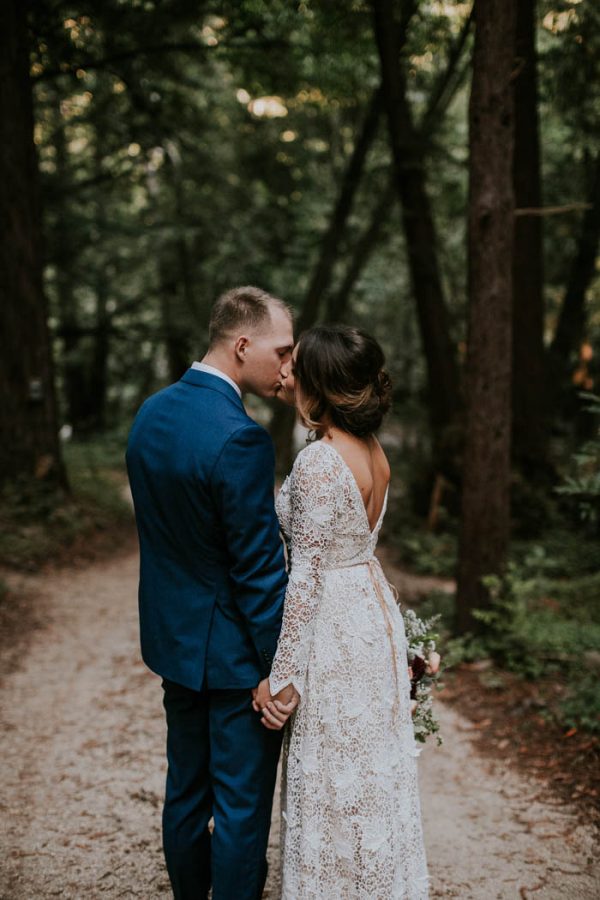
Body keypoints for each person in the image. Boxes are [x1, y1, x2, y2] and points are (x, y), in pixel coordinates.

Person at [126, 286, 298, 900]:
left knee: (186, 794)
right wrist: (277, 667)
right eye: (281, 351)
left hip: (174, 645)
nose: (289, 367)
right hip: (233, 662)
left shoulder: (151, 413)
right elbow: (257, 572)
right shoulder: (241, 438)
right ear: (242, 344)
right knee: (241, 812)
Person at [254, 325, 430, 899]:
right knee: (368, 776)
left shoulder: (319, 462)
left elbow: (304, 579)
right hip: (370, 615)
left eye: (296, 367)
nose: (286, 374)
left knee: (330, 777)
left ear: (321, 385)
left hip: (333, 629)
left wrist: (283, 679)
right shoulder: (373, 453)